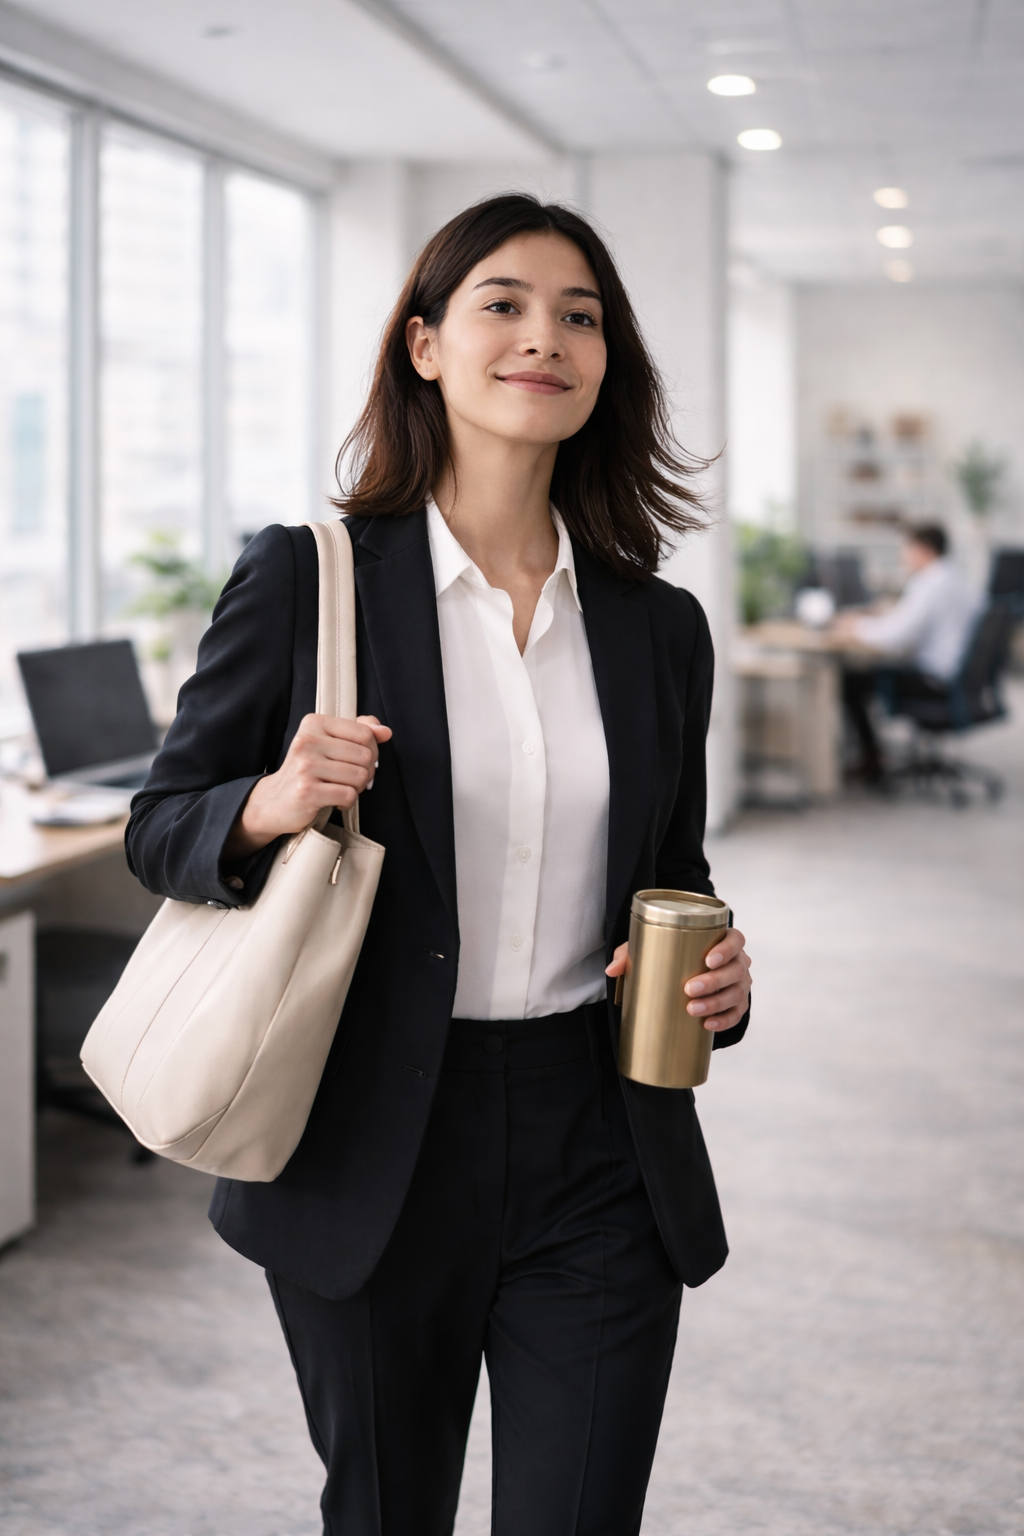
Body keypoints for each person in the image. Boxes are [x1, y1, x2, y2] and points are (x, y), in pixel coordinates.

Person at [125, 194, 753, 1536]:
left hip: (601, 1142)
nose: (547, 338)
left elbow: (677, 869)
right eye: (505, 306)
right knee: (387, 1511)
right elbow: (160, 822)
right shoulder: (312, 577)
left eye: (580, 316)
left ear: (607, 365)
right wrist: (271, 802)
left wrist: (719, 982)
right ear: (424, 347)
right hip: (373, 1141)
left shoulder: (657, 628)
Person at [835, 522, 979, 782]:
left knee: (850, 682)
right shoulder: (953, 579)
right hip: (956, 677)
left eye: (906, 549)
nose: (903, 556)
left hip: (934, 679)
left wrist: (855, 626)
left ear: (923, 550)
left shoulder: (930, 584)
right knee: (861, 676)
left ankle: (871, 759)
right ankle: (870, 755)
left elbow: (895, 636)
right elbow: (905, 626)